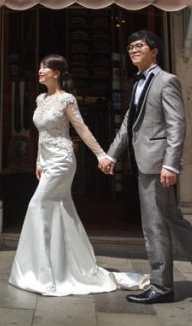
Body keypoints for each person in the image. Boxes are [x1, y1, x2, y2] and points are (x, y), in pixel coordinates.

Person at [99, 29, 192, 304]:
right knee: (173, 219)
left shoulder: (167, 81)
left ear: (154, 51)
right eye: (130, 47)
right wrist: (111, 155)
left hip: (157, 165)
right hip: (147, 162)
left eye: (139, 46)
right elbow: (128, 124)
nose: (133, 50)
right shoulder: (137, 84)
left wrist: (171, 165)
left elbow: (176, 125)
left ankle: (161, 287)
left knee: (154, 226)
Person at [9, 54, 147, 296]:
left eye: (45, 67)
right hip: (48, 161)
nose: (40, 70)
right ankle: (62, 267)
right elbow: (41, 134)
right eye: (40, 66)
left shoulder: (67, 99)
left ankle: (40, 274)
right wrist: (39, 161)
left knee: (37, 205)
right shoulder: (41, 99)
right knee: (59, 210)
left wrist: (102, 155)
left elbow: (82, 129)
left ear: (57, 73)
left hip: (62, 161)